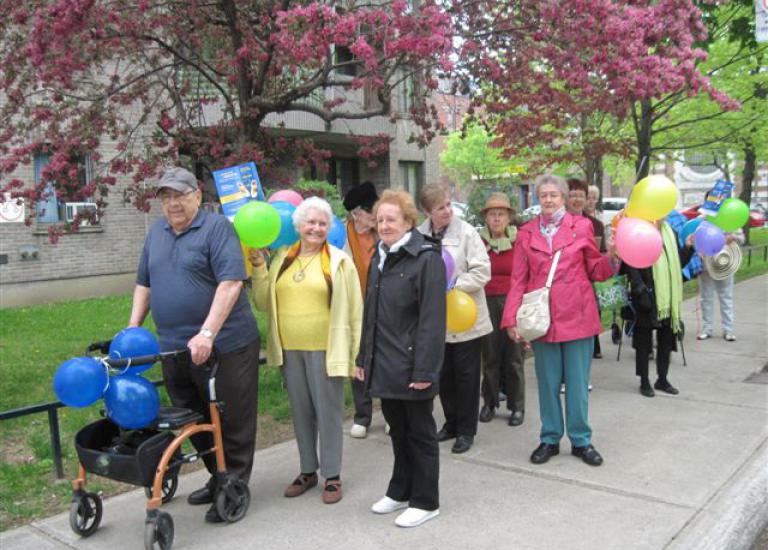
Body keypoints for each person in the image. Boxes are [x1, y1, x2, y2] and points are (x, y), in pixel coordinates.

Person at [128, 167, 260, 523]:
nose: (173, 203)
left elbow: (231, 283)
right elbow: (144, 283)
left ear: (197, 196)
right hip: (173, 348)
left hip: (224, 345)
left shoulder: (218, 229)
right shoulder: (156, 232)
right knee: (193, 420)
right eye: (166, 197)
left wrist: (207, 333)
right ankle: (218, 476)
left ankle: (233, 485)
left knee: (230, 417)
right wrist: (132, 330)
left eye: (180, 195)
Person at [250, 196, 362, 504]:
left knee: (328, 413)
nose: (316, 228)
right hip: (290, 350)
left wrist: (356, 354)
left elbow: (355, 311)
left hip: (327, 349)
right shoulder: (282, 258)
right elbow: (262, 302)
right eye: (310, 222)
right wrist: (259, 266)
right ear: (298, 226)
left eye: (322, 223)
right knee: (301, 414)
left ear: (330, 227)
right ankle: (307, 471)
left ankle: (332, 475)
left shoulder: (339, 261)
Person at [502, 174, 617, 467]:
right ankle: (550, 438)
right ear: (537, 199)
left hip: (577, 315)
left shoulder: (582, 227)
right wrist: (512, 318)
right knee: (548, 383)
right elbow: (518, 279)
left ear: (564, 197)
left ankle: (581, 440)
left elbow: (596, 269)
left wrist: (613, 256)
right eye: (544, 195)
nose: (549, 199)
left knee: (578, 384)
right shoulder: (526, 233)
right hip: (543, 319)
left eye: (554, 194)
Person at [356, 189, 446, 528]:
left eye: (391, 219)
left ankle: (426, 500)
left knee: (420, 433)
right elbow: (370, 316)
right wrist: (363, 357)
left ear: (408, 221)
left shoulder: (426, 258)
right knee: (398, 430)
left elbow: (432, 320)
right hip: (385, 362)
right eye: (380, 219)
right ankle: (400, 490)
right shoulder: (380, 256)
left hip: (413, 365)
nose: (384, 225)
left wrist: (425, 369)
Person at [417, 184, 492, 454]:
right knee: (444, 375)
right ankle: (450, 423)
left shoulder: (467, 233)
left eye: (449, 204)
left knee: (467, 377)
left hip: (466, 316)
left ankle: (466, 430)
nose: (448, 211)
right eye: (440, 208)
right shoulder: (419, 235)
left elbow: (482, 272)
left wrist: (453, 284)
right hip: (437, 320)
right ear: (427, 212)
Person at [621, 222, 694, 397]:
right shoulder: (638, 230)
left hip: (667, 296)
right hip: (646, 294)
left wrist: (689, 248)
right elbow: (630, 262)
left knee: (666, 340)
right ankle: (644, 381)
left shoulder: (670, 232)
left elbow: (677, 262)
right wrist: (639, 288)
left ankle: (662, 379)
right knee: (643, 342)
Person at [477, 192, 526, 427]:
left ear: (509, 218)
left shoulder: (519, 242)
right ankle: (489, 402)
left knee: (514, 357)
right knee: (490, 356)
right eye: (492, 214)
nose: (496, 219)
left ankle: (517, 406)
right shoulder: (479, 242)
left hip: (513, 303)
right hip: (485, 302)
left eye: (501, 214)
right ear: (486, 218)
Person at [342, 181, 379, 439]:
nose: (373, 215)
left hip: (386, 306)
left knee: (388, 358)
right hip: (356, 307)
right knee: (359, 359)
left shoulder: (386, 231)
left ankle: (390, 412)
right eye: (368, 211)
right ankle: (362, 416)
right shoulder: (343, 234)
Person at [696, 191, 744, 341]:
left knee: (726, 296)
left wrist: (733, 237)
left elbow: (742, 237)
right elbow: (693, 239)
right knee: (706, 297)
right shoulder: (701, 220)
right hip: (706, 265)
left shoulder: (729, 218)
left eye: (717, 200)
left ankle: (728, 330)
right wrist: (698, 250)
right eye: (711, 200)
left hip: (725, 263)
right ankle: (707, 328)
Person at [567, 178, 606, 360]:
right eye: (572, 195)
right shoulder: (557, 224)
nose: (577, 199)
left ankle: (582, 371)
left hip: (587, 284)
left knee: (585, 331)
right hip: (564, 286)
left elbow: (602, 255)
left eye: (580, 195)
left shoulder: (595, 225)